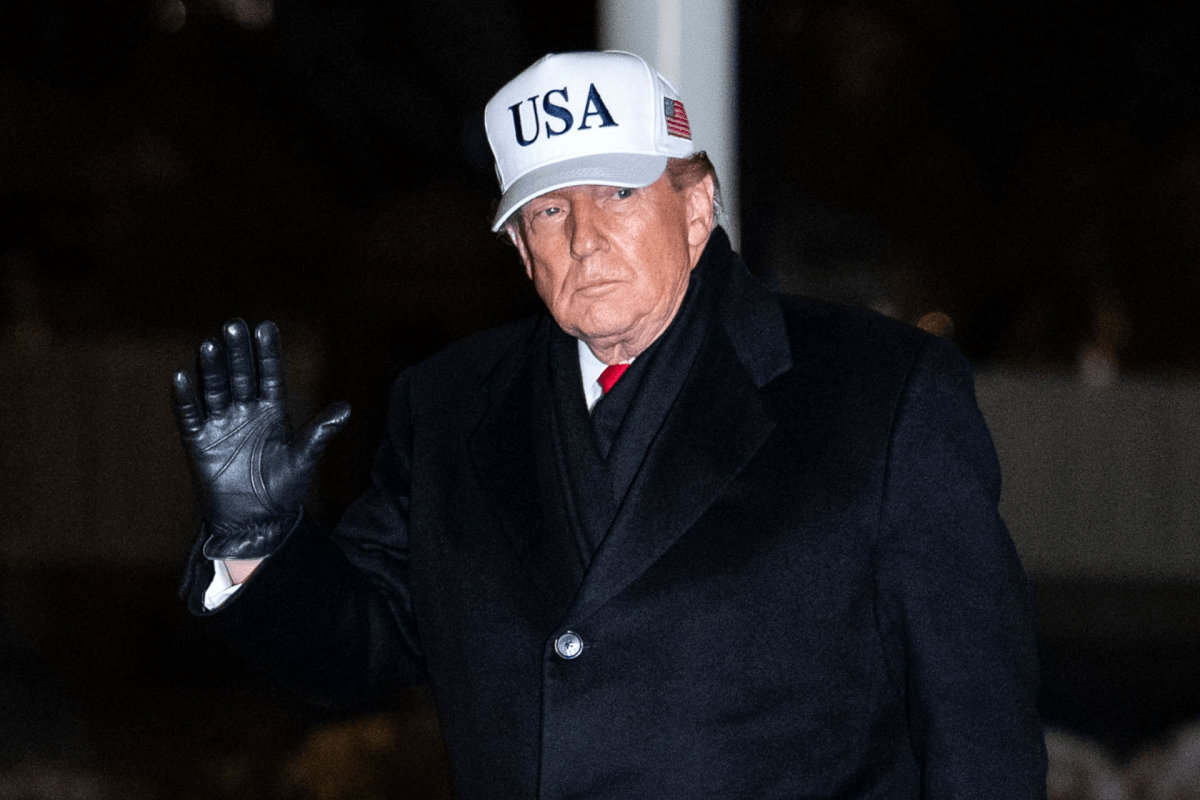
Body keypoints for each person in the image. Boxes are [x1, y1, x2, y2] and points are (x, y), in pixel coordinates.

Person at [172, 50, 1047, 798]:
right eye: (550, 210)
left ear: (697, 209)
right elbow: (358, 650)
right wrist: (258, 543)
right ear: (522, 249)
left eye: (620, 192)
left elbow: (978, 731)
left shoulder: (879, 395)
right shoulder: (449, 407)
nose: (583, 238)